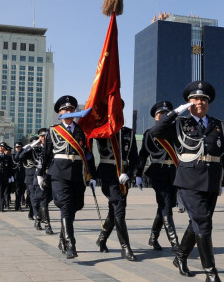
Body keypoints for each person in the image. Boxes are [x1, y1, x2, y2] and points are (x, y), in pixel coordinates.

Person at [149, 81, 224, 282]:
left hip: (211, 181)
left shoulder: (218, 125)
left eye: (203, 99)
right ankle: (211, 272)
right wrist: (176, 112)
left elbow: (222, 153)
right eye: (194, 99)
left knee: (198, 223)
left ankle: (181, 256)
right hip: (189, 181)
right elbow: (156, 131)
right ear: (188, 102)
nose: (199, 102)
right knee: (203, 223)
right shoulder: (179, 123)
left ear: (208, 102)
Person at [38, 95, 96, 259]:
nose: (68, 112)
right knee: (65, 205)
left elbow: (88, 155)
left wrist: (91, 175)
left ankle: (63, 239)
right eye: (65, 110)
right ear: (60, 113)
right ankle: (71, 244)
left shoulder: (81, 131)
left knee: (75, 206)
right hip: (59, 173)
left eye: (71, 109)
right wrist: (40, 174)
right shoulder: (53, 130)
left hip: (77, 174)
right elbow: (46, 154)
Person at [94, 99, 138, 261]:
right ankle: (125, 247)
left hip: (123, 176)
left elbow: (135, 158)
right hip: (108, 174)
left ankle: (102, 239)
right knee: (119, 207)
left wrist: (130, 174)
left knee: (114, 210)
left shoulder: (129, 133)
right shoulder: (102, 131)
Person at [134, 101, 180, 256]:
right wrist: (138, 174)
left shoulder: (176, 130)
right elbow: (143, 155)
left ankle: (153, 237)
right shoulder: (150, 133)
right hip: (158, 172)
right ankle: (175, 243)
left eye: (166, 114)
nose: (163, 116)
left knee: (165, 206)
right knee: (166, 206)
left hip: (174, 172)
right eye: (160, 114)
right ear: (155, 117)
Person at [12, 142, 26, 211]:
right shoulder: (13, 155)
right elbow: (16, 158)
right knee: (17, 191)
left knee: (22, 191)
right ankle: (17, 205)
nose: (18, 148)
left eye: (19, 147)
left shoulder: (24, 155)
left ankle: (19, 204)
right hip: (16, 176)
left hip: (23, 175)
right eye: (17, 147)